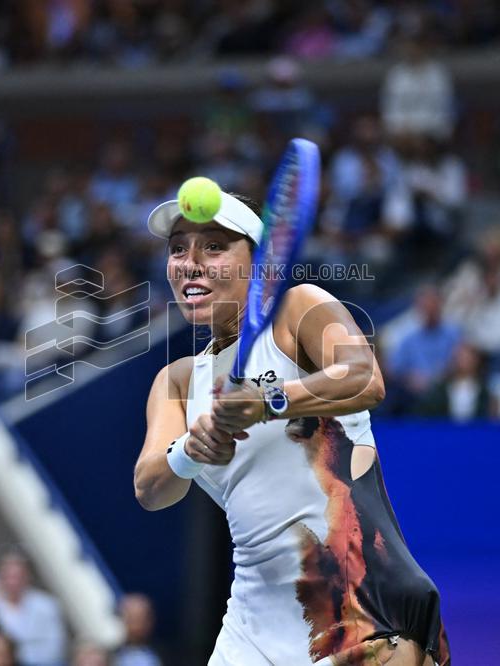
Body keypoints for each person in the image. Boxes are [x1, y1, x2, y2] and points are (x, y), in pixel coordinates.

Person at [134, 190, 450, 665]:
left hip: (361, 609)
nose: (190, 263)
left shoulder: (298, 310)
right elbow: (150, 487)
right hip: (252, 630)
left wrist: (266, 402)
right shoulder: (176, 381)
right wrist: (190, 449)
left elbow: (365, 376)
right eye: (178, 248)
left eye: (214, 247)